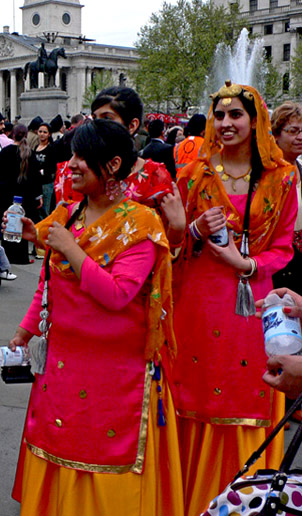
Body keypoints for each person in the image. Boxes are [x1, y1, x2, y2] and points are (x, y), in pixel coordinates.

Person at [9, 119, 182, 515]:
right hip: (62, 367)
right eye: (71, 154)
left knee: (106, 458)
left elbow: (119, 294)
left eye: (82, 157)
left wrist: (72, 250)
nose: (71, 164)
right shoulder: (69, 213)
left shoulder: (141, 224)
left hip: (114, 373)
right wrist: (25, 330)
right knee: (57, 446)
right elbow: (48, 284)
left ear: (114, 164)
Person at [172, 81, 297, 515]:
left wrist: (246, 265)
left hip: (251, 300)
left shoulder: (282, 178)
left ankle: (241, 502)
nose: (225, 124)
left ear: (255, 120)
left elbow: (283, 246)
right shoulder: (193, 175)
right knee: (192, 395)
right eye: (219, 116)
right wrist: (194, 232)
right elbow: (168, 242)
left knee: (249, 394)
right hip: (197, 300)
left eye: (235, 115)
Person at [54, 87, 185, 247]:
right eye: (95, 119)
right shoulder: (71, 172)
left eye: (107, 118)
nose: (98, 127)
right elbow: (58, 232)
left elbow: (163, 246)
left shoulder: (154, 176)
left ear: (132, 125)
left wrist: (178, 229)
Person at [0, 124, 42, 264]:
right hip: (25, 196)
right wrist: (38, 196)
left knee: (8, 225)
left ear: (12, 135)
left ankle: (8, 256)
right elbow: (36, 177)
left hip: (6, 195)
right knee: (22, 225)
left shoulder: (5, 153)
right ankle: (21, 256)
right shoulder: (29, 154)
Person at [270, 101, 302, 293]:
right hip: (277, 265)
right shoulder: (266, 175)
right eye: (293, 131)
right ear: (276, 135)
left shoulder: (300, 170)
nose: (300, 137)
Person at [31, 122, 56, 217]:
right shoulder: (36, 147)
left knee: (45, 209)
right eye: (40, 131)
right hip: (36, 183)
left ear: (49, 134)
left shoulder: (51, 149)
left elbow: (52, 167)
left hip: (46, 183)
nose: (42, 134)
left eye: (45, 132)